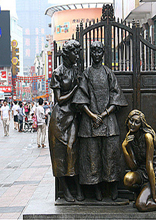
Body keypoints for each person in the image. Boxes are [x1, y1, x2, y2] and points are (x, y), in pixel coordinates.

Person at [72, 41, 128, 201]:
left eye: (99, 52)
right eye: (93, 51)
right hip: (89, 123)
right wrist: (92, 116)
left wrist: (102, 115)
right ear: (91, 54)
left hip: (108, 121)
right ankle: (96, 189)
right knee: (92, 157)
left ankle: (113, 188)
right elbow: (81, 100)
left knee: (111, 155)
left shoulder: (108, 73)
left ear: (103, 54)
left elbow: (117, 97)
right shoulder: (86, 73)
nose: (96, 54)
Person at [49, 40, 84, 202]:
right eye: (74, 52)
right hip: (60, 117)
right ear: (67, 54)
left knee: (72, 149)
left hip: (73, 116)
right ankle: (65, 189)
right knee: (59, 154)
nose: (77, 56)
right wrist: (75, 89)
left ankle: (77, 187)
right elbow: (59, 99)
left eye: (78, 52)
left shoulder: (76, 70)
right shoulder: (58, 72)